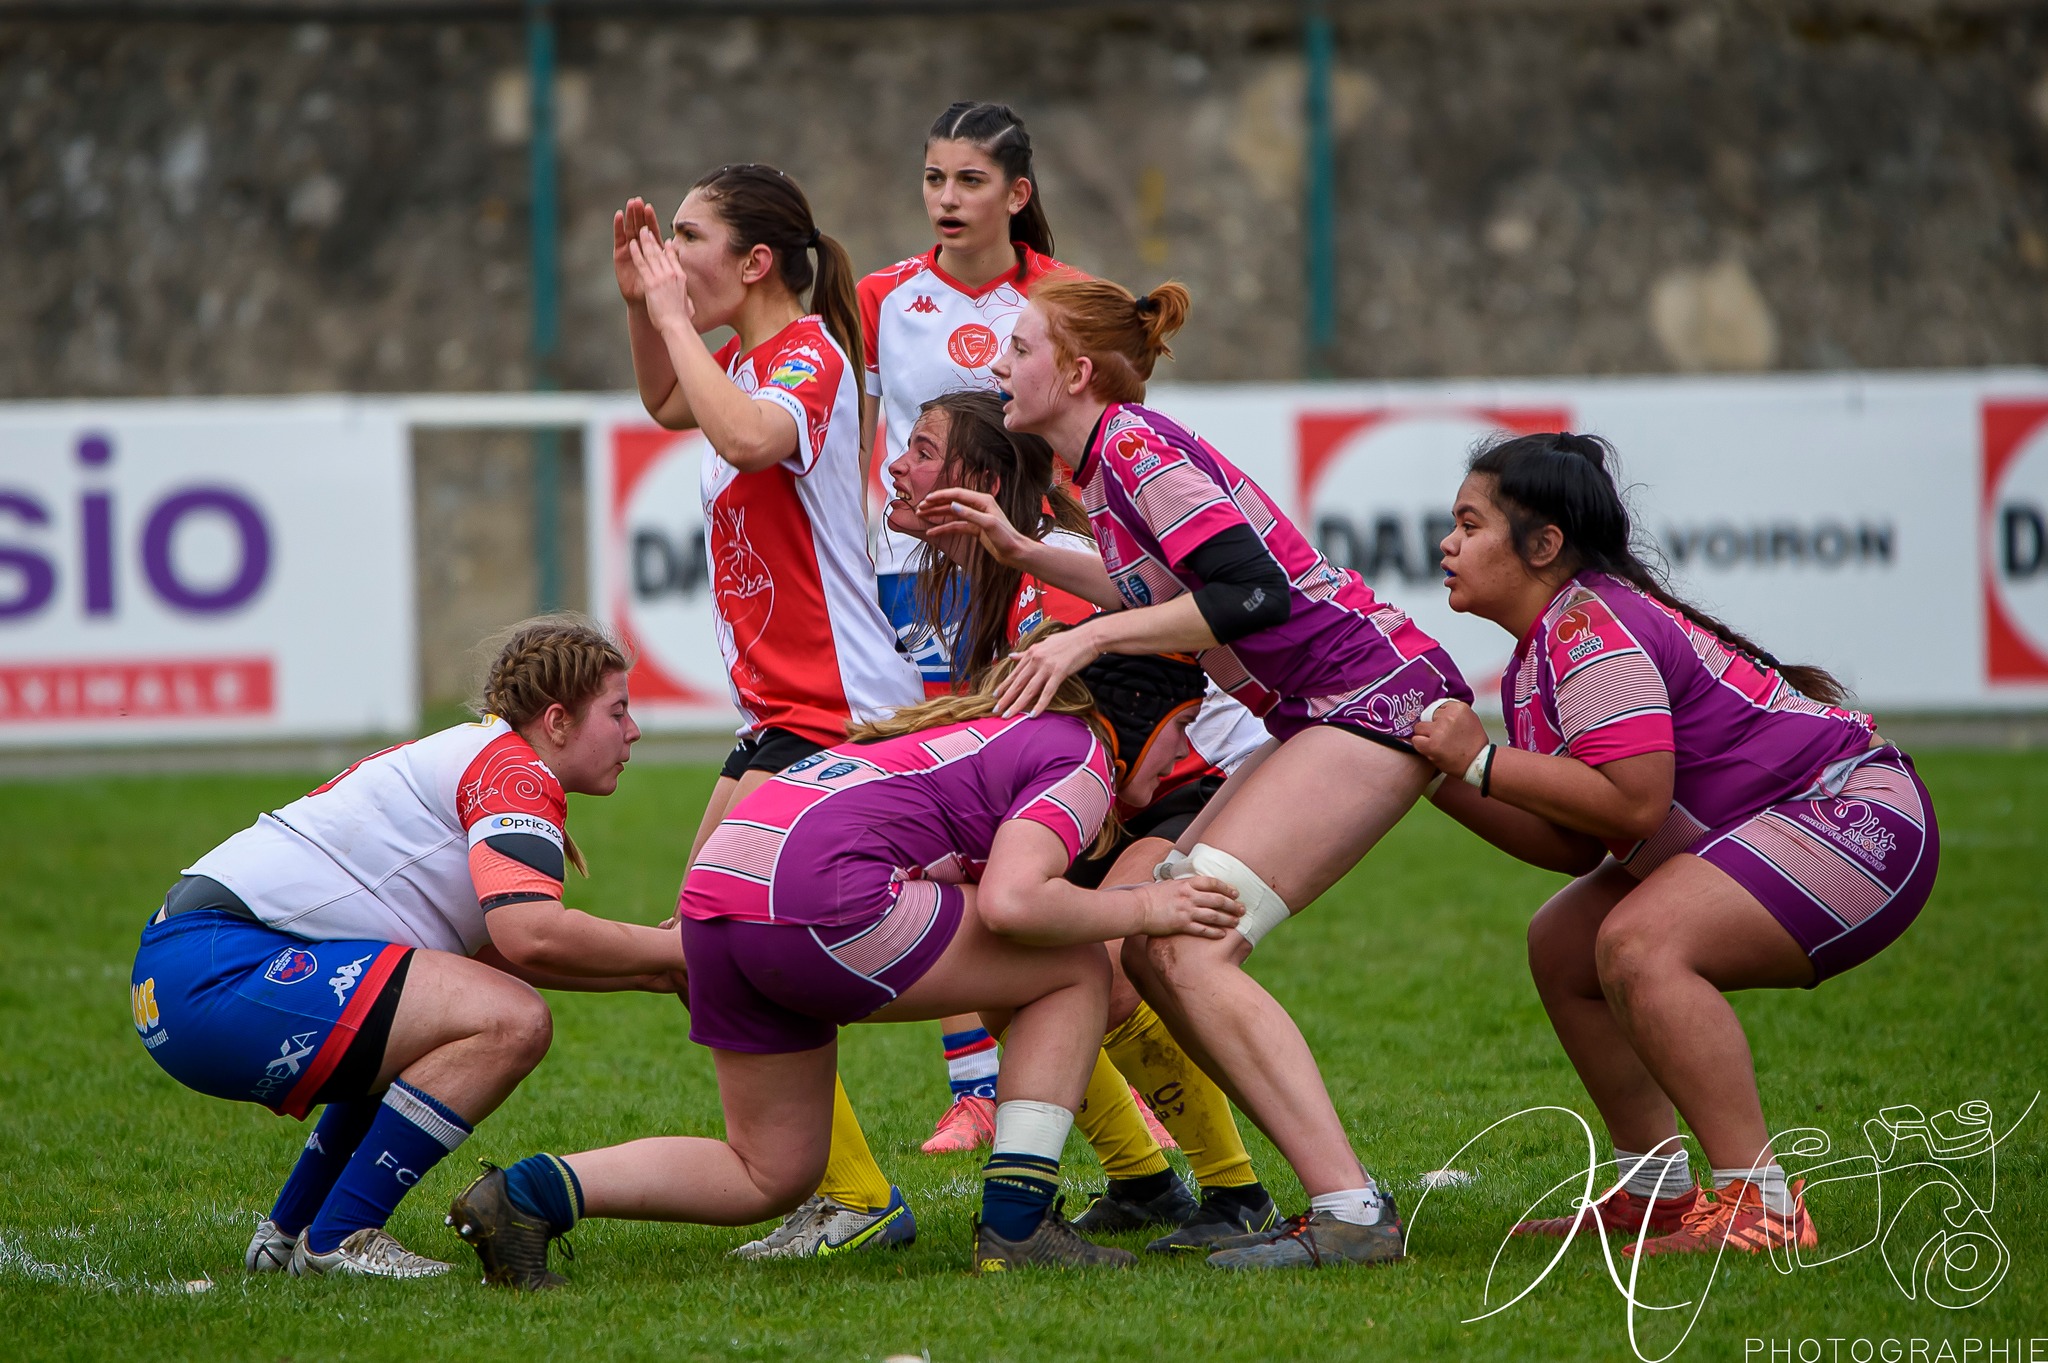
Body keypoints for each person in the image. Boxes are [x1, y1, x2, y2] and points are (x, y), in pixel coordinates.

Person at [446, 640, 1245, 1288]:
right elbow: (1013, 903)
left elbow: (944, 865)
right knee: (1073, 963)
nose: (1187, 751)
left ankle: (528, 1194)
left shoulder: (978, 732)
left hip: (719, 898)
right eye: (1183, 728)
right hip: (809, 897)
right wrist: (1147, 907)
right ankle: (1018, 1222)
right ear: (1142, 713)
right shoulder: (1083, 753)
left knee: (770, 1171)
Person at [978, 274, 1473, 1270]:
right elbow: (1145, 586)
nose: (998, 364)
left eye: (1019, 346)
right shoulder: (1105, 464)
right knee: (1159, 943)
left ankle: (1349, 1214)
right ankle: (1301, 1198)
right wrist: (1021, 549)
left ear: (1073, 371)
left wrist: (1088, 642)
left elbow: (1247, 592)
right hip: (1327, 708)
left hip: (1366, 698)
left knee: (1190, 946)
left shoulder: (1128, 443)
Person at [737, 392, 1281, 1261]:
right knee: (1007, 968)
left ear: (982, 481)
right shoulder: (970, 583)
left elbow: (1119, 735)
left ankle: (1236, 1191)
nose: (897, 467)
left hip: (1176, 790)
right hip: (1094, 804)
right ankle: (1142, 1183)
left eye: (920, 450)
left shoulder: (1054, 575)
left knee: (1096, 973)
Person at [1413, 432, 1938, 1257]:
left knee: (1638, 941)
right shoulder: (1537, 655)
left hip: (1857, 819)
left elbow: (1632, 801)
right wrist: (1442, 778)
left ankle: (1762, 1205)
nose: (1447, 542)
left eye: (1470, 524)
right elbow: (1575, 845)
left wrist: (1479, 759)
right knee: (1563, 945)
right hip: (1806, 822)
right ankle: (1657, 1194)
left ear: (1544, 544)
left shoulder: (1589, 623)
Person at [127, 617, 685, 1279]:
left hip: (185, 974)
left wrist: (657, 967)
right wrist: (674, 951)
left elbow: (500, 956)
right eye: (618, 711)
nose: (634, 730)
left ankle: (291, 1230)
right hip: (218, 970)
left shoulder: (488, 755)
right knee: (514, 1020)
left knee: (445, 1015)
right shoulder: (513, 769)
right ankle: (341, 1236)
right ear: (558, 721)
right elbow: (531, 934)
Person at [858, 101, 1074, 1152]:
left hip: (1040, 580)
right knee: (946, 814)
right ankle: (973, 1086)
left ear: (1015, 196)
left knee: (1040, 822)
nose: (945, 199)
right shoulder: (880, 300)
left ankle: (1093, 1061)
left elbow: (1095, 441)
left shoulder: (1063, 301)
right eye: (933, 179)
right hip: (919, 584)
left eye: (968, 182)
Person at [611, 163, 922, 868]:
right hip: (782, 709)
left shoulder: (808, 353)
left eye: (689, 235)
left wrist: (670, 318)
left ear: (755, 262)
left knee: (708, 930)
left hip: (837, 704)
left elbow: (748, 439)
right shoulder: (744, 362)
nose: (670, 252)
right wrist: (641, 307)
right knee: (699, 940)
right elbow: (666, 404)